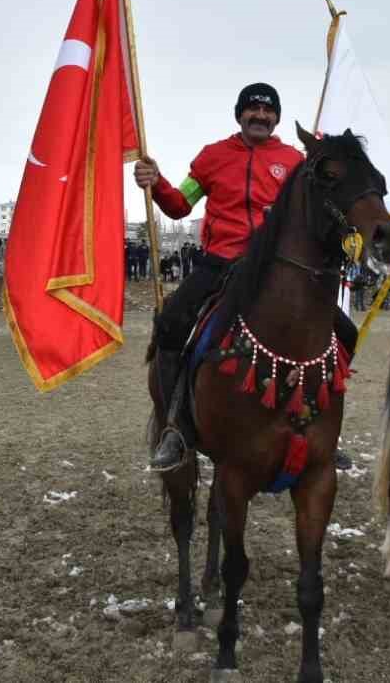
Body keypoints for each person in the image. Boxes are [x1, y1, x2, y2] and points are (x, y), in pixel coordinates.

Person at [136, 81, 355, 471]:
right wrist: (157, 184)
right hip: (221, 264)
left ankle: (319, 426)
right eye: (252, 109)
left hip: (279, 269)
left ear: (277, 118)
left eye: (268, 110)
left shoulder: (293, 161)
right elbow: (179, 205)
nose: (260, 115)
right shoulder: (212, 157)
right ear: (239, 114)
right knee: (171, 323)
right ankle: (177, 427)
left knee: (346, 333)